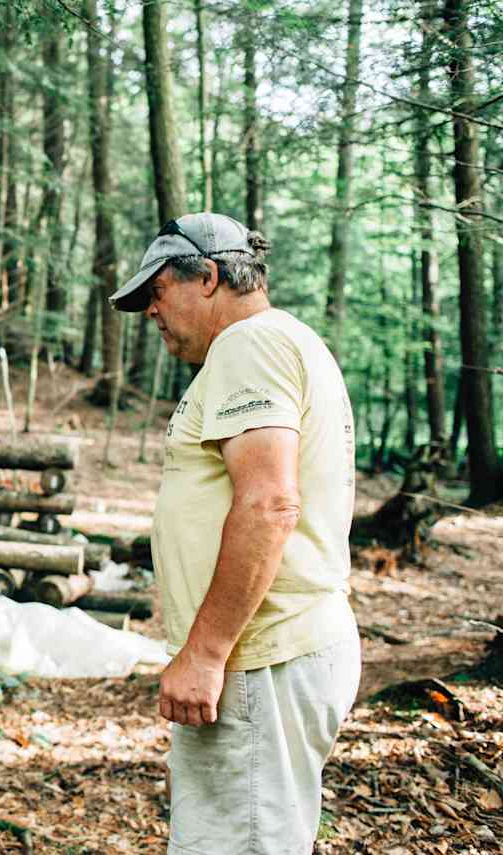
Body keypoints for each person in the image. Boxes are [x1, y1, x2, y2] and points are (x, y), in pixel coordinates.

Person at [109, 213, 361, 854]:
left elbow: (270, 502)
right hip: (270, 653)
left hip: (260, 657)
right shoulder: (281, 342)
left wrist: (206, 653)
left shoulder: (249, 345)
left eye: (157, 293)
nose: (151, 314)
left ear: (210, 277)